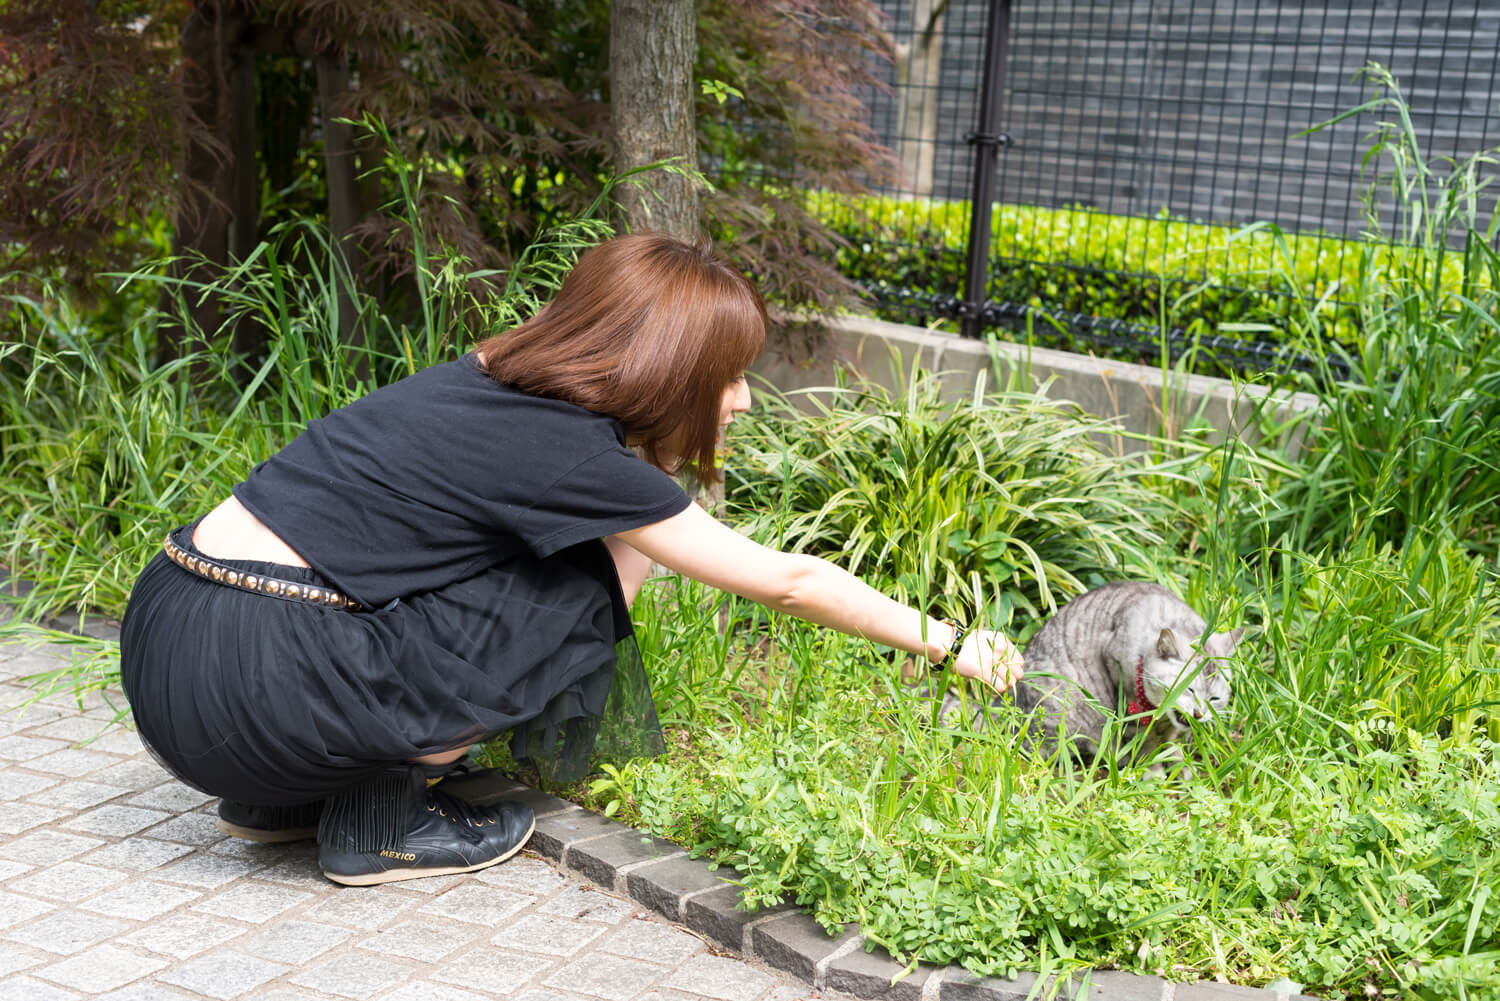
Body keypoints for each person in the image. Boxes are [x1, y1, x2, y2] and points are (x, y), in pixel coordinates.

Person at [119, 233, 1024, 887]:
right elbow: (788, 579)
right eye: (731, 374)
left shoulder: (485, 375)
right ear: (670, 368)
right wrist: (952, 644)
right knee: (606, 571)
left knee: (561, 563)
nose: (743, 400)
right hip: (262, 675)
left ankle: (281, 797)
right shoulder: (574, 457)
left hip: (173, 635)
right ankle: (383, 822)